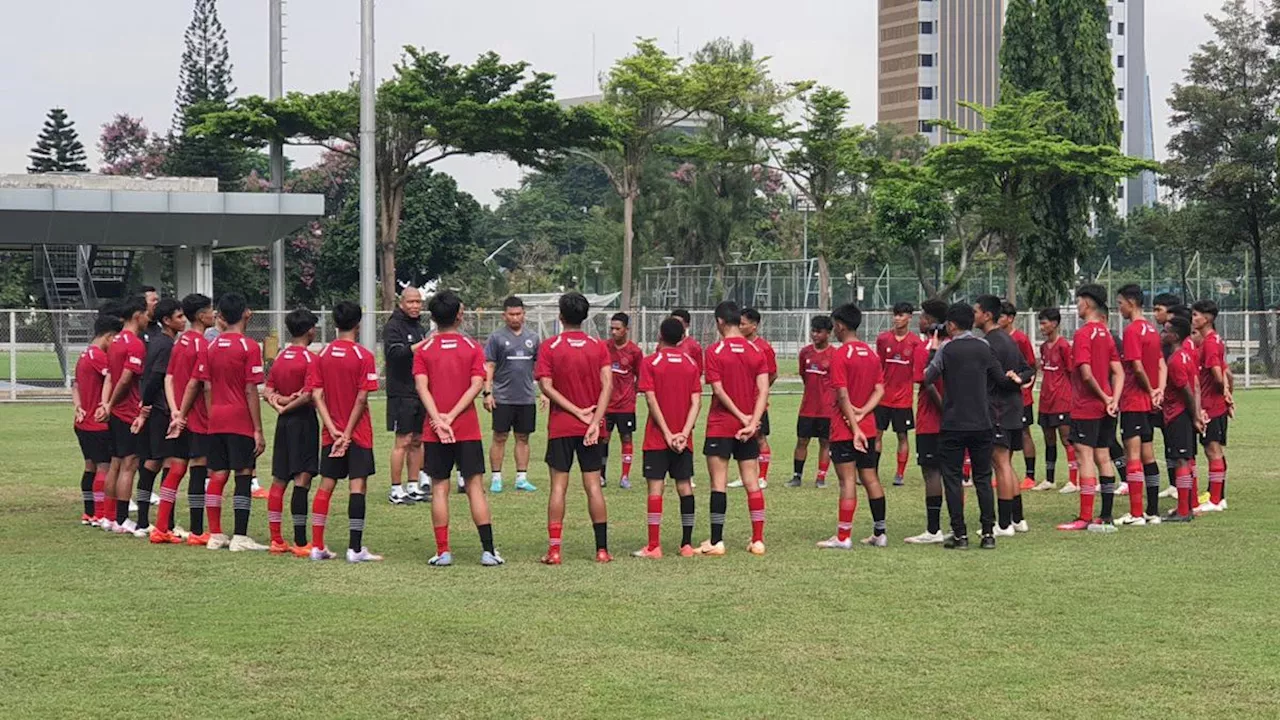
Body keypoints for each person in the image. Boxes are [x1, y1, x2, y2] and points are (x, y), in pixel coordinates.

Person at [922, 303, 1024, 550]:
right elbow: (999, 378)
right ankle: (988, 533)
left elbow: (927, 377)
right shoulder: (984, 346)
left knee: (953, 479)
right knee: (983, 478)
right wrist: (1014, 378)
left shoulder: (947, 349)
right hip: (982, 422)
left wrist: (932, 351)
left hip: (954, 422)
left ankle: (960, 534)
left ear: (952, 325)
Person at [413, 291, 503, 566]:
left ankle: (443, 552)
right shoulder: (472, 346)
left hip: (435, 429)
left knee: (440, 488)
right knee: (475, 487)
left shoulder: (424, 349)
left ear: (433, 317)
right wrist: (451, 417)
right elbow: (477, 385)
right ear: (459, 315)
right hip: (465, 429)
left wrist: (439, 419)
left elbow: (421, 387)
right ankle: (488, 551)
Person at [534, 292, 613, 564]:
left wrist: (574, 411)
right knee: (593, 486)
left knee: (559, 486)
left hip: (561, 427)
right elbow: (608, 386)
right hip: (591, 427)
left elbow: (546, 385)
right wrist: (593, 420)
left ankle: (554, 551)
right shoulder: (598, 346)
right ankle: (601, 550)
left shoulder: (550, 346)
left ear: (560, 316)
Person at [310, 301, 383, 563]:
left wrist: (333, 430)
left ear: (334, 323)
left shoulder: (322, 355)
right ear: (359, 324)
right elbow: (362, 398)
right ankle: (354, 549)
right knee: (357, 486)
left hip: (332, 434)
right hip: (358, 433)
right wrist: (348, 433)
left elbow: (316, 394)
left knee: (325, 486)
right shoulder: (364, 356)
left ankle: (317, 546)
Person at [697, 300, 769, 556]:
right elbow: (763, 390)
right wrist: (752, 422)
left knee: (719, 483)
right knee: (752, 481)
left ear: (719, 322)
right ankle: (758, 540)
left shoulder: (715, 351)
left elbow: (717, 389)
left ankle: (717, 542)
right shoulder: (756, 351)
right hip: (749, 427)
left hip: (720, 425)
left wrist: (740, 416)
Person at [200, 293, 269, 552]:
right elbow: (251, 390)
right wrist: (258, 429)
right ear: (245, 314)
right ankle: (240, 536)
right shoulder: (249, 347)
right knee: (243, 474)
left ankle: (215, 534)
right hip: (239, 419)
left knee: (217, 474)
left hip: (216, 418)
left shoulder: (211, 346)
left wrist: (213, 414)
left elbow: (206, 387)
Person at [817, 303, 887, 549]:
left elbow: (843, 394)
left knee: (847, 482)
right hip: (868, 427)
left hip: (846, 429)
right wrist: (865, 412)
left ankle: (843, 537)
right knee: (871, 477)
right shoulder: (870, 353)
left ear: (840, 325)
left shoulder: (839, 355)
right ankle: (880, 532)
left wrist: (854, 425)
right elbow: (880, 389)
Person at [633, 317, 703, 558]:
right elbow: (697, 401)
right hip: (684, 440)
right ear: (683, 337)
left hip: (657, 438)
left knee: (656, 489)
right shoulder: (691, 363)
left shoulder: (651, 362)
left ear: (659, 335)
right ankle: (686, 545)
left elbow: (651, 399)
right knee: (684, 486)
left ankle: (654, 546)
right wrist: (684, 432)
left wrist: (667, 433)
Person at [1057, 285, 1125, 532]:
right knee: (1103, 456)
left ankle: (1085, 517)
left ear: (1086, 303)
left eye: (1078, 302)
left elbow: (1085, 373)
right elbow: (1118, 371)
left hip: (1086, 406)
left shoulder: (1083, 334)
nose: (1077, 307)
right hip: (1107, 407)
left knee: (1084, 457)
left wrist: (1103, 397)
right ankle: (1105, 516)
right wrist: (1113, 399)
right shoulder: (1107, 334)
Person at [263, 308, 321, 556]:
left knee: (279, 479)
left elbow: (267, 390)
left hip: (282, 424)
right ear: (310, 331)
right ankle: (300, 542)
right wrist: (288, 405)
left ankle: (276, 539)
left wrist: (278, 403)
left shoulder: (280, 358)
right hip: (302, 422)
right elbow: (309, 395)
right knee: (302, 479)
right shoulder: (311, 360)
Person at [974, 296, 1034, 537]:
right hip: (1012, 409)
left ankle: (1004, 524)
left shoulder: (990, 343)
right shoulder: (1007, 340)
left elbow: (1001, 378)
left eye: (976, 311)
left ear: (987, 315)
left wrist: (1013, 380)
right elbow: (1028, 368)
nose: (974, 315)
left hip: (998, 409)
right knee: (1006, 464)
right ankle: (1017, 519)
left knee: (1000, 464)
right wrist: (1019, 378)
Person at [164, 294, 215, 545]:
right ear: (200, 316)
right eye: (210, 310)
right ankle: (196, 531)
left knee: (175, 469)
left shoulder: (180, 341)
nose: (214, 314)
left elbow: (169, 378)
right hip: (196, 418)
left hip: (179, 416)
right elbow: (198, 385)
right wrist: (182, 414)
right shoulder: (201, 345)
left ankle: (162, 526)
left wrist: (174, 411)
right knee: (197, 470)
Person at [1115, 285, 1167, 526]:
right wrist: (1158, 391)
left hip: (1134, 400)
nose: (1120, 308)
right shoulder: (1153, 331)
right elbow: (1159, 364)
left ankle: (1136, 513)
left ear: (1132, 302)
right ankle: (1152, 511)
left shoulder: (1133, 330)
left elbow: (1136, 367)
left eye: (1120, 303)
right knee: (1149, 455)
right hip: (1148, 403)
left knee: (1132, 456)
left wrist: (1148, 390)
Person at [101, 296, 149, 535]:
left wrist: (105, 404)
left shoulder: (115, 341)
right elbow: (125, 378)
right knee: (129, 465)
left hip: (115, 412)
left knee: (115, 464)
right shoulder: (135, 344)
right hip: (128, 411)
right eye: (147, 313)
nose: (149, 318)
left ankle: (108, 517)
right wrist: (110, 404)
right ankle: (121, 519)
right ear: (137, 315)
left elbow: (109, 377)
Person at [139, 298, 185, 542]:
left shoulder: (157, 342)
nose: (183, 320)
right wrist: (147, 404)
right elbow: (157, 377)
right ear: (167, 321)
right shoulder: (167, 346)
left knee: (152, 463)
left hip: (156, 409)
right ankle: (164, 523)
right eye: (179, 317)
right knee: (167, 464)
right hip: (162, 411)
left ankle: (144, 520)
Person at [484, 296, 540, 494]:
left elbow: (539, 367)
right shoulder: (496, 338)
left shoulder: (533, 337)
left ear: (524, 314)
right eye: (511, 314)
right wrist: (487, 392)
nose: (515, 318)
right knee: (500, 437)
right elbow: (489, 365)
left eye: (518, 314)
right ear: (504, 315)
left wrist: (544, 393)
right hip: (503, 397)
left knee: (523, 437)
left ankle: (521, 478)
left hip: (526, 397)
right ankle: (496, 478)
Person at [904, 299, 950, 544]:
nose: (918, 320)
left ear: (931, 321)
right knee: (951, 474)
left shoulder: (924, 349)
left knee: (931, 473)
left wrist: (944, 408)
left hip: (931, 421)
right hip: (957, 422)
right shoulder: (954, 346)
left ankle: (933, 530)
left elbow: (926, 383)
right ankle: (956, 525)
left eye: (922, 317)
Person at [383, 287, 430, 505]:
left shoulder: (419, 327)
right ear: (402, 303)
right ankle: (395, 488)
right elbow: (395, 354)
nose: (415, 306)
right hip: (401, 392)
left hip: (419, 392)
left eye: (418, 302)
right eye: (411, 302)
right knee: (402, 440)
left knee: (418, 440)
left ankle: (413, 485)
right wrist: (422, 345)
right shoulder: (393, 326)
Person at [73, 314, 121, 525]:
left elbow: (75, 385)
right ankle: (100, 513)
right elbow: (113, 379)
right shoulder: (98, 356)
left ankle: (89, 511)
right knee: (105, 467)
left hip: (83, 422)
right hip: (97, 423)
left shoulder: (83, 354)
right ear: (109, 337)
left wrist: (78, 407)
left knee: (90, 466)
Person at [1160, 316, 1203, 522]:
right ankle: (1187, 508)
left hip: (1177, 415)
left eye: (1166, 331)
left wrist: (1195, 416)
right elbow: (1195, 385)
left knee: (1181, 460)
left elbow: (1186, 389)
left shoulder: (1175, 359)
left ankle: (1184, 510)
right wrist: (1197, 412)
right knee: (1185, 459)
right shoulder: (1186, 355)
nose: (1163, 334)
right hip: (1184, 414)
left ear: (1175, 336)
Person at [875, 302, 923, 487]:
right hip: (882, 398)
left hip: (903, 400)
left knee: (902, 436)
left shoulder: (915, 342)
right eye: (895, 314)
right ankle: (873, 470)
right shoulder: (883, 339)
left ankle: (900, 474)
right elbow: (878, 367)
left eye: (901, 315)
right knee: (876, 434)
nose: (897, 318)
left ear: (910, 317)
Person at [1192, 299, 1232, 512]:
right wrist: (1227, 393)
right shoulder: (1215, 340)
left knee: (1212, 449)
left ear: (1207, 318)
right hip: (1215, 403)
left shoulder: (1209, 342)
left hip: (1210, 405)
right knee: (1214, 449)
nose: (1193, 319)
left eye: (1196, 315)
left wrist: (1221, 390)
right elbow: (1227, 373)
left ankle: (1215, 500)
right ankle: (1219, 496)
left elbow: (1218, 373)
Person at [1034, 308, 1078, 493]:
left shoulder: (1064, 346)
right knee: (1048, 439)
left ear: (1055, 324)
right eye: (1040, 323)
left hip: (1062, 399)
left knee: (1067, 439)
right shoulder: (1044, 347)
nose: (1041, 327)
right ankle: (1049, 479)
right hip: (1046, 400)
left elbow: (1072, 373)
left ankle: (1074, 480)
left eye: (1044, 323)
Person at [791, 315, 835, 488]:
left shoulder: (834, 355)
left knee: (825, 442)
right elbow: (804, 376)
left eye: (819, 331)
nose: (815, 335)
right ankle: (797, 476)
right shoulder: (805, 353)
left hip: (827, 409)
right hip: (807, 408)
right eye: (813, 331)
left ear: (828, 333)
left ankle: (821, 477)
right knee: (802, 440)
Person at [999, 302, 1039, 490]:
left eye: (1001, 316)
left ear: (1010, 318)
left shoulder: (1020, 339)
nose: (998, 319)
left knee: (1024, 432)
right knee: (1004, 432)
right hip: (1002, 396)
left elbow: (1031, 366)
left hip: (1021, 396)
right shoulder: (996, 338)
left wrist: (1026, 387)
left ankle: (1030, 475)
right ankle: (1004, 471)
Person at [601, 312, 643, 489]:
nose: (613, 332)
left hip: (625, 405)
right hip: (606, 405)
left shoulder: (635, 351)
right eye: (611, 328)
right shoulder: (604, 348)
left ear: (626, 329)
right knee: (603, 439)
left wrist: (630, 394)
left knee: (626, 438)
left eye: (617, 328)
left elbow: (640, 377)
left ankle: (625, 476)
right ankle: (601, 476)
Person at [738, 308, 777, 489]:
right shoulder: (738, 345)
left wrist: (760, 391)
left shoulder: (764, 348)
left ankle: (762, 477)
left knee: (759, 437)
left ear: (753, 326)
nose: (739, 326)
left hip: (757, 404)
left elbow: (772, 374)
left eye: (743, 324)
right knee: (742, 438)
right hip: (740, 402)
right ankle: (744, 475)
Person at [1152, 293, 1185, 497]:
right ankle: (1174, 483)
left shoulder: (1180, 341)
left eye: (1159, 309)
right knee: (1167, 438)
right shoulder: (1161, 337)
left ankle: (1183, 486)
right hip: (1164, 397)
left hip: (1177, 399)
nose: (1155, 314)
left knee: (1181, 444)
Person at [671, 308, 704, 374]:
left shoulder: (694, 346)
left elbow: (698, 371)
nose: (675, 325)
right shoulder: (663, 344)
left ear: (687, 325)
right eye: (672, 321)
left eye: (678, 322)